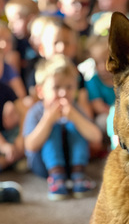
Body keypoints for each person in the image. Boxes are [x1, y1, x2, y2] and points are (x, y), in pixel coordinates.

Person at [23, 54, 102, 201]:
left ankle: (78, 175)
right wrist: (48, 120)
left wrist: (75, 118)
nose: (63, 92)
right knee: (53, 128)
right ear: (41, 91)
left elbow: (96, 136)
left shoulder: (75, 109)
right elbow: (30, 145)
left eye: (69, 87)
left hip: (71, 163)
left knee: (76, 125)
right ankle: (56, 177)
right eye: (56, 87)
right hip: (43, 167)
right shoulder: (36, 111)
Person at [4, 0, 40, 94]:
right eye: (9, 21)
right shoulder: (15, 43)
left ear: (31, 19)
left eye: (15, 20)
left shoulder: (42, 40)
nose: (11, 26)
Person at [0, 82, 25, 171]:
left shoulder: (5, 88)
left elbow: (23, 111)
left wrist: (21, 138)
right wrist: (4, 146)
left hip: (9, 134)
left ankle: (11, 158)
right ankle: (11, 160)